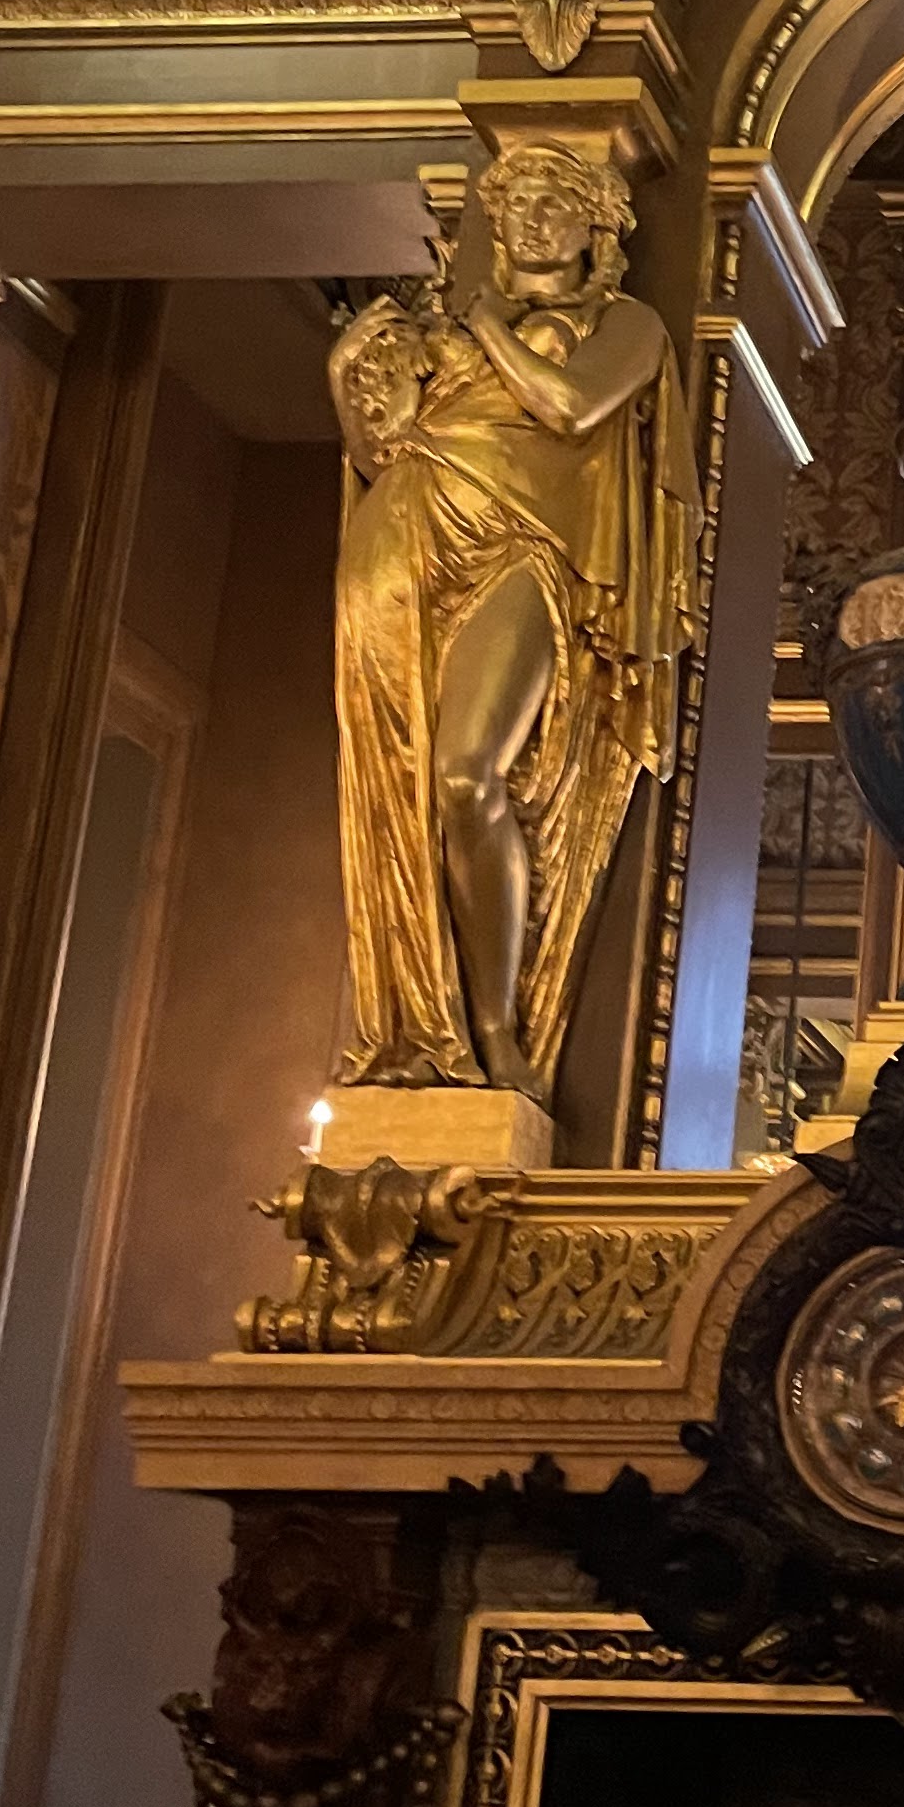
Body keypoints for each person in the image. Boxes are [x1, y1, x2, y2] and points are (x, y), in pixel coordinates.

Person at [330, 139, 697, 1102]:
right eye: (515, 203)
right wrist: (347, 372)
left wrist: (489, 321)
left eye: (551, 202)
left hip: (530, 547)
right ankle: (420, 1026)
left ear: (595, 227)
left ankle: (497, 1028)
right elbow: (378, 443)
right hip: (403, 532)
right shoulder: (436, 326)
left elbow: (570, 408)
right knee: (397, 778)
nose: (529, 219)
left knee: (464, 773)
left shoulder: (627, 324)